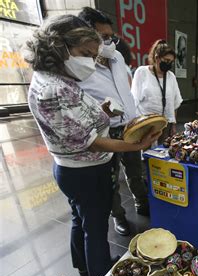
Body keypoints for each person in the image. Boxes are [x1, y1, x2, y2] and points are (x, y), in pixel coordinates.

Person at [24, 15, 161, 276]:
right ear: (59, 46)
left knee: (82, 219)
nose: (89, 61)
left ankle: (84, 265)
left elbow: (72, 119)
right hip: (86, 170)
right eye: (85, 53)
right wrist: (137, 145)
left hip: (73, 168)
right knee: (96, 228)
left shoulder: (53, 77)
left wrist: (101, 111)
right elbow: (90, 140)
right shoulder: (54, 89)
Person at [78, 7, 150, 237]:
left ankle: (142, 202)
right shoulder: (80, 66)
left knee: (135, 170)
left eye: (111, 36)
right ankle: (118, 216)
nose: (109, 41)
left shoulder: (117, 57)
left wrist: (135, 117)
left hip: (129, 125)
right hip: (105, 132)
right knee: (111, 179)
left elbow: (126, 91)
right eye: (103, 36)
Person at [132, 39, 183, 140]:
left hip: (165, 125)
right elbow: (134, 100)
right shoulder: (142, 72)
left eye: (171, 62)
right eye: (166, 60)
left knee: (163, 152)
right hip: (145, 124)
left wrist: (173, 125)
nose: (169, 64)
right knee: (146, 153)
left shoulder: (171, 76)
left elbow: (175, 103)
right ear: (157, 58)